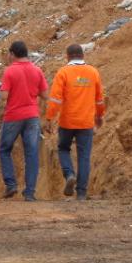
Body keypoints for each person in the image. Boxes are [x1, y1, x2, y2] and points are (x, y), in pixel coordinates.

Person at [44, 44, 106, 201]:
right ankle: (81, 193)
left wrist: (49, 118)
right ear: (82, 55)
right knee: (84, 156)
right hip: (86, 122)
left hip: (67, 121)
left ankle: (69, 174)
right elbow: (99, 99)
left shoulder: (63, 72)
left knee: (63, 148)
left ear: (68, 56)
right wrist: (99, 116)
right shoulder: (93, 72)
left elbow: (55, 99)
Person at [0, 41, 48, 202]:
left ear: (12, 54)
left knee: (5, 149)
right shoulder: (37, 70)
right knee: (32, 153)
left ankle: (11, 184)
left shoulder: (9, 71)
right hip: (32, 116)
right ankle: (30, 192)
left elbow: (4, 97)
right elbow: (45, 95)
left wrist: (0, 92)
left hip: (13, 116)